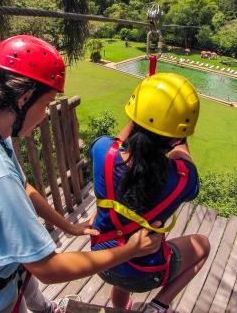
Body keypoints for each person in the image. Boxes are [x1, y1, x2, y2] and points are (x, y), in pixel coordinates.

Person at [0, 35, 163, 313]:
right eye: (46, 104)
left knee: (34, 295)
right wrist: (130, 251)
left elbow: (25, 188)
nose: (45, 115)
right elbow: (48, 269)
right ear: (24, 98)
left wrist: (70, 227)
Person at [89, 73, 211, 313]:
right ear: (178, 135)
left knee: (122, 238)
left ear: (133, 116)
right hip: (147, 274)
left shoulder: (102, 151)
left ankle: (121, 308)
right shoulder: (182, 180)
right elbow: (183, 159)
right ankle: (158, 305)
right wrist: (178, 137)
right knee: (203, 245)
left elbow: (119, 142)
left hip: (102, 261)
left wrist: (143, 110)